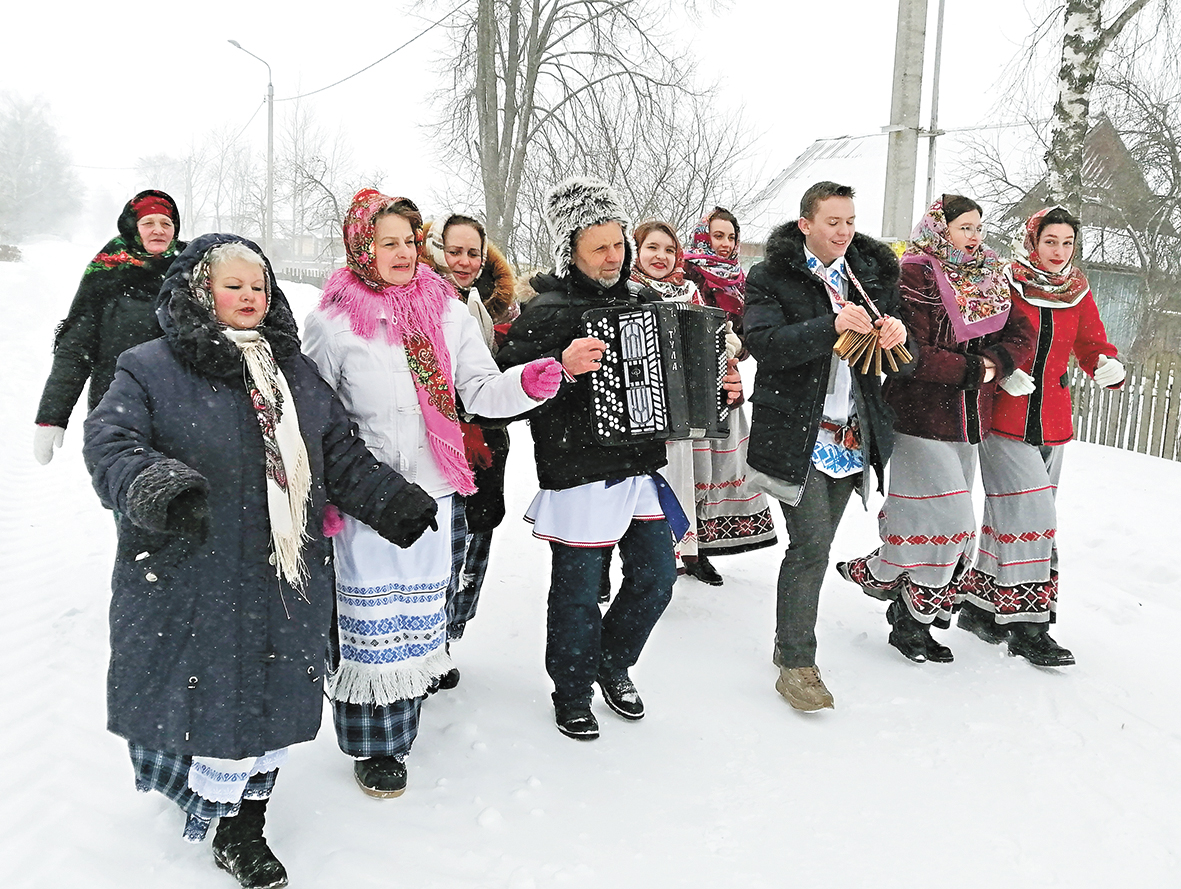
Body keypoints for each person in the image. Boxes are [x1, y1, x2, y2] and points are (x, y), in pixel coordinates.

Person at [83, 234, 438, 889]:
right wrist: (158, 484)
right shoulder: (149, 366)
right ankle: (200, 799)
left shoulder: (293, 373)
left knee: (266, 700)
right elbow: (110, 442)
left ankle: (244, 828)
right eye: (233, 285)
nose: (250, 297)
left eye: (259, 286)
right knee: (197, 696)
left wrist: (393, 500)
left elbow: (340, 453)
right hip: (190, 568)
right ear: (198, 290)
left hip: (284, 575)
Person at [303, 190, 561, 798]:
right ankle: (374, 746)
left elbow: (477, 390)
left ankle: (403, 726)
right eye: (386, 242)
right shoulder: (332, 322)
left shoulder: (444, 312)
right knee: (370, 623)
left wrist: (530, 382)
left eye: (410, 242)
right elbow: (315, 413)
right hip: (367, 498)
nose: (401, 253)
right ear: (362, 246)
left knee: (418, 620)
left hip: (433, 493)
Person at [497, 178, 741, 740]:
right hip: (577, 472)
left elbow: (685, 372)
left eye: (617, 245)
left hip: (638, 470)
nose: (613, 257)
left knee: (656, 579)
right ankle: (573, 689)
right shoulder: (548, 311)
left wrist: (717, 384)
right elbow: (503, 393)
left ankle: (611, 662)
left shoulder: (645, 300)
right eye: (599, 248)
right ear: (571, 250)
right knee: (578, 591)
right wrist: (560, 365)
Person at [836, 195, 1034, 664]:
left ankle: (911, 620)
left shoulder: (989, 275)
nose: (974, 236)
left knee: (941, 530)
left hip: (970, 421)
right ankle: (887, 581)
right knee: (947, 525)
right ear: (939, 228)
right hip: (919, 418)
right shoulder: (915, 274)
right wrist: (974, 371)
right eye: (965, 227)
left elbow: (1021, 334)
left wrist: (994, 363)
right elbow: (911, 352)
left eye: (979, 228)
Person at [744, 181, 913, 711]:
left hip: (851, 438)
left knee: (816, 547)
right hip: (797, 436)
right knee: (811, 544)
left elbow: (895, 358)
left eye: (849, 221)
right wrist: (828, 325)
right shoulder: (772, 277)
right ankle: (797, 662)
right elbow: (765, 346)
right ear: (806, 226)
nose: (843, 232)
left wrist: (896, 334)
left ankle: (787, 644)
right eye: (832, 222)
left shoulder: (870, 277)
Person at [959, 206, 1124, 666]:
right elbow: (981, 336)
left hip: (1053, 421)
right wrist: (1000, 370)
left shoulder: (1077, 291)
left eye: (1067, 243)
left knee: (1016, 517)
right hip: (1006, 417)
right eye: (1051, 241)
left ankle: (980, 608)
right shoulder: (1005, 283)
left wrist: (1104, 364)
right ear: (1034, 241)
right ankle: (1030, 627)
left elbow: (1091, 342)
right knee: (1034, 517)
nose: (1059, 251)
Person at [420, 214, 518, 686]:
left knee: (475, 536)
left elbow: (493, 380)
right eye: (454, 251)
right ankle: (423, 638)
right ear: (437, 250)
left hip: (485, 441)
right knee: (435, 543)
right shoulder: (416, 300)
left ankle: (446, 637)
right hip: (434, 443)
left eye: (472, 253)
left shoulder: (486, 307)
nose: (463, 261)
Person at [35, 189, 185, 464]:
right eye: (148, 223)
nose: (158, 230)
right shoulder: (107, 272)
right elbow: (75, 347)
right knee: (129, 490)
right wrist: (51, 416)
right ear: (133, 227)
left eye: (166, 223)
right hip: (118, 407)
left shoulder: (193, 270)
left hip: (185, 413)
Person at [680, 207, 778, 584]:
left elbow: (747, 333)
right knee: (692, 469)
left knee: (722, 466)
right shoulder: (688, 274)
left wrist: (736, 351)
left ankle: (702, 548)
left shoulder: (740, 281)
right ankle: (680, 545)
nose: (724, 243)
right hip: (688, 388)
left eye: (730, 236)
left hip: (727, 383)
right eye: (717, 235)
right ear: (703, 236)